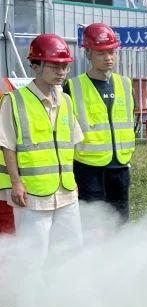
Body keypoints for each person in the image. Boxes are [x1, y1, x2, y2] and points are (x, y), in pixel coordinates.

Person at [0, 35, 84, 259]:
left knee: (70, 254)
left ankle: (63, 293)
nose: (62, 72)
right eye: (55, 66)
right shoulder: (14, 101)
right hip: (32, 196)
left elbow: (70, 144)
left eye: (65, 66)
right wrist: (16, 184)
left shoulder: (66, 100)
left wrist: (72, 182)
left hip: (65, 192)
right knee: (33, 258)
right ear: (35, 66)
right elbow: (7, 146)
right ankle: (32, 294)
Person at [65, 23, 135, 222]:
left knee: (121, 221)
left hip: (120, 165)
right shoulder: (73, 86)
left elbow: (131, 119)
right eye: (101, 53)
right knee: (93, 222)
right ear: (88, 53)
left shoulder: (125, 83)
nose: (108, 58)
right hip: (88, 168)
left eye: (112, 52)